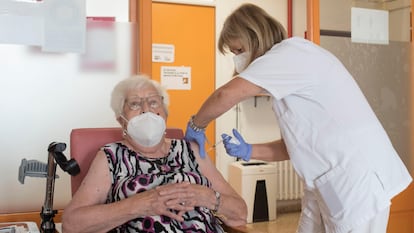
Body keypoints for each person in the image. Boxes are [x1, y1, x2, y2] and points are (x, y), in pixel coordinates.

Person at [184, 3, 412, 233]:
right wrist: (248, 150)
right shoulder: (284, 77)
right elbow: (291, 147)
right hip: (324, 185)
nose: (237, 60)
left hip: (355, 183)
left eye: (237, 50)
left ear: (253, 36)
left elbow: (226, 94)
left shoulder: (291, 54)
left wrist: (197, 123)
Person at [62, 75, 247, 233]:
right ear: (121, 120)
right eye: (134, 104)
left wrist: (207, 197)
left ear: (165, 113)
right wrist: (139, 205)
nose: (146, 109)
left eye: (153, 102)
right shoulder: (111, 156)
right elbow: (71, 224)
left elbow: (240, 212)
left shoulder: (191, 151)